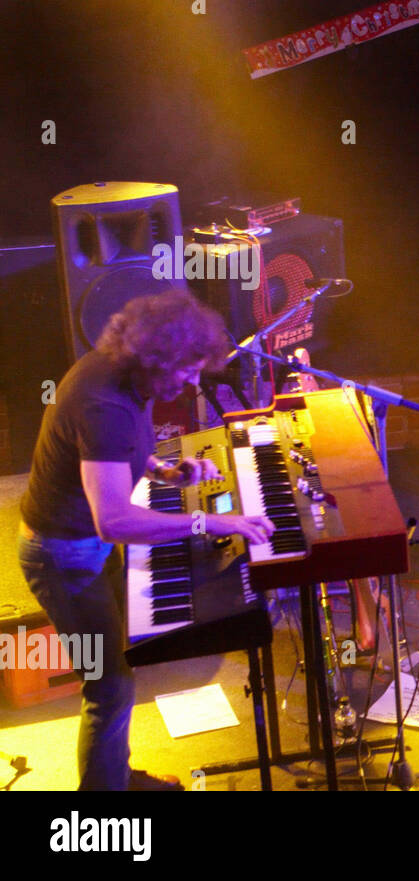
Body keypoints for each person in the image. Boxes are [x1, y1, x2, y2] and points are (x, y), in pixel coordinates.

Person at [17, 289, 275, 790]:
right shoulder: (103, 402)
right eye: (188, 368)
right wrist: (208, 523)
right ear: (159, 358)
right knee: (109, 687)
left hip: (82, 547)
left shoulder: (120, 370)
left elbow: (108, 452)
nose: (195, 380)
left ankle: (117, 773)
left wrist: (161, 471)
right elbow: (112, 521)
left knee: (120, 664)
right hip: (60, 557)